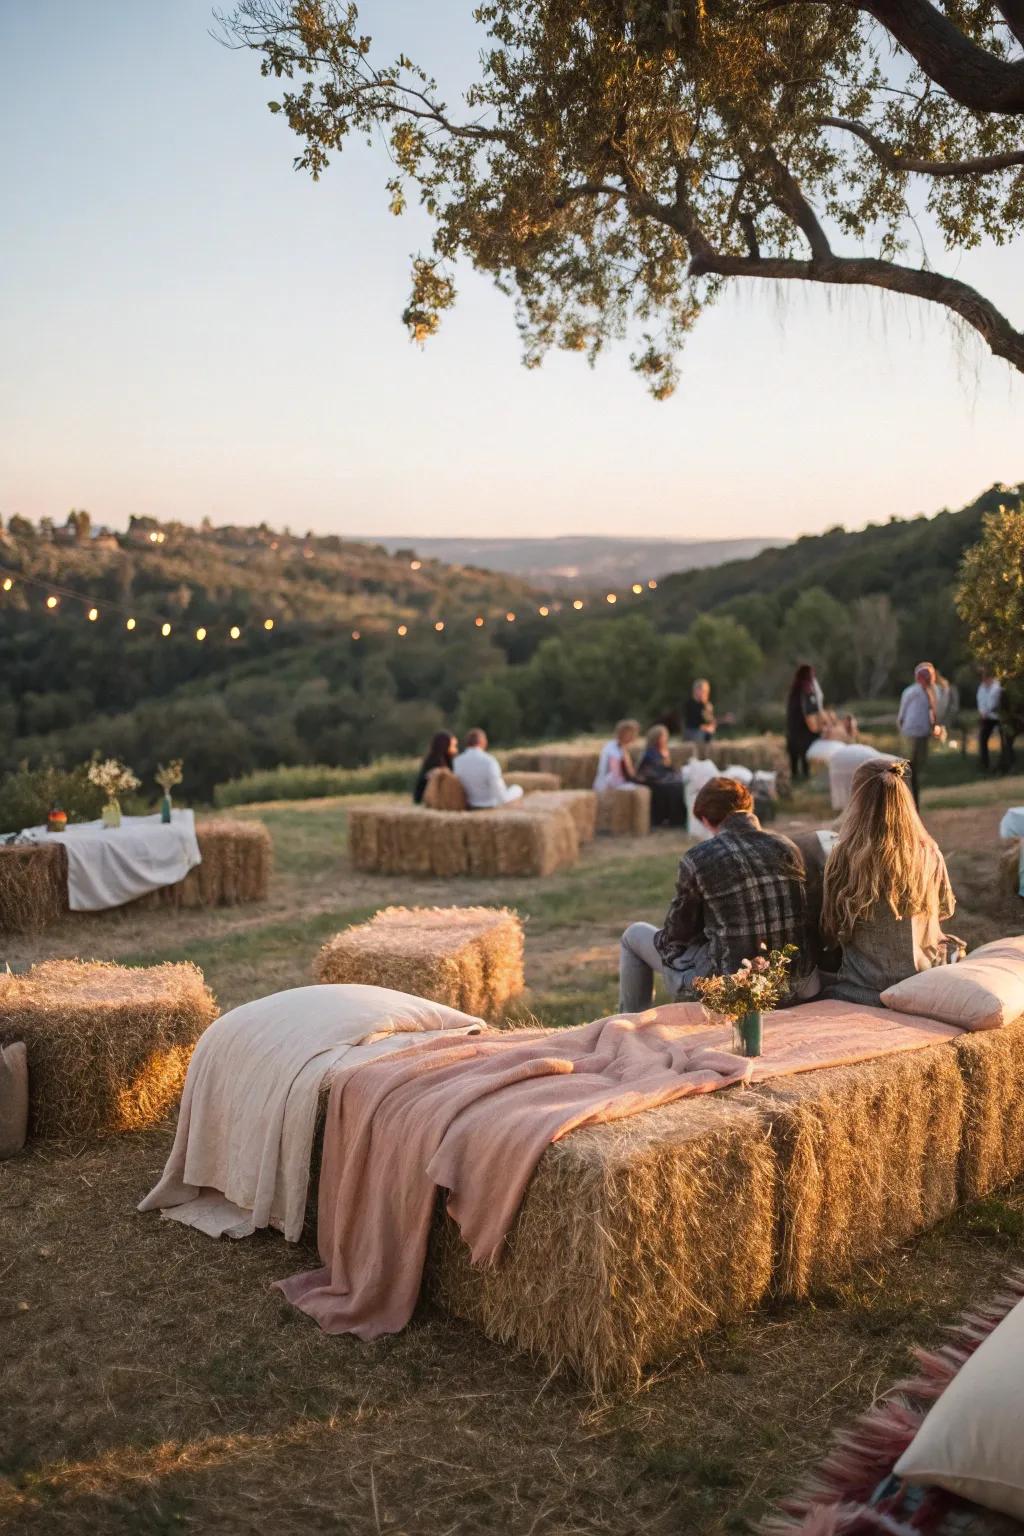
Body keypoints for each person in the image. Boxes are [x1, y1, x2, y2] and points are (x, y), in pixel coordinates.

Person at [618, 776, 817, 1012]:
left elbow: (677, 933)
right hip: (797, 984)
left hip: (734, 992)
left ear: (706, 820)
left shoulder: (700, 858)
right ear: (748, 806)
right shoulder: (787, 846)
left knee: (633, 936)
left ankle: (629, 1026)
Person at [821, 757, 956, 1006]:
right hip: (923, 982)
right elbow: (946, 909)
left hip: (864, 989)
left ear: (858, 801)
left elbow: (831, 924)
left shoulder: (844, 855)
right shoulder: (929, 852)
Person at [897, 662, 939, 807]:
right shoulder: (911, 692)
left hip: (922, 734)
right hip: (911, 734)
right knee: (909, 769)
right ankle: (911, 802)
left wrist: (934, 728)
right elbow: (902, 715)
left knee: (916, 770)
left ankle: (915, 802)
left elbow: (932, 714)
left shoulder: (932, 693)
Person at [452, 728, 524, 808]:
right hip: (490, 805)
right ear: (483, 742)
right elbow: (501, 796)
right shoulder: (489, 761)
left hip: (470, 805)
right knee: (518, 788)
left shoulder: (457, 761)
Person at [635, 724, 685, 827]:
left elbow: (668, 769)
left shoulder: (664, 750)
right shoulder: (650, 752)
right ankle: (671, 820)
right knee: (674, 787)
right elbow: (650, 772)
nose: (666, 738)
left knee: (680, 784)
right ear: (656, 738)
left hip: (662, 778)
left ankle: (678, 819)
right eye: (663, 736)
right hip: (652, 781)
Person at [785, 664, 823, 781]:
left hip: (794, 727)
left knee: (796, 753)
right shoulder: (805, 688)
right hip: (803, 727)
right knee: (803, 752)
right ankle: (803, 776)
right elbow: (810, 708)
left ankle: (796, 776)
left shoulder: (796, 688)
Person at [412, 730, 458, 804]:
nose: (456, 749)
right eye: (453, 745)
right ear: (446, 745)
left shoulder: (435, 761)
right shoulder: (437, 764)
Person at [594, 720, 640, 791]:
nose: (634, 736)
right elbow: (615, 775)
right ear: (623, 733)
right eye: (632, 733)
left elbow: (631, 773)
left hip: (615, 783)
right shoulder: (612, 749)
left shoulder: (622, 748)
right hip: (608, 786)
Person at [977, 666, 1004, 773]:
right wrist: (982, 712)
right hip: (987, 717)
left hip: (998, 716)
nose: (983, 679)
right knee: (983, 739)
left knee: (1004, 739)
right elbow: (981, 701)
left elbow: (994, 703)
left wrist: (986, 711)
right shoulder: (981, 688)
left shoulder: (997, 687)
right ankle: (985, 764)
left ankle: (1004, 762)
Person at [682, 679, 716, 748]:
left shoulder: (706, 705)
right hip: (692, 731)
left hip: (703, 731)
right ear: (696, 690)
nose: (705, 693)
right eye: (703, 691)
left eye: (706, 691)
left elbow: (710, 721)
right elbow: (693, 722)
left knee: (709, 735)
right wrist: (705, 727)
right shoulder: (689, 704)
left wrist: (711, 725)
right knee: (701, 735)